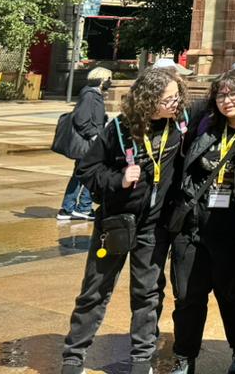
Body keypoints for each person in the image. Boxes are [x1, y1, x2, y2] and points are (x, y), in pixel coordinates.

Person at [62, 66, 188, 374]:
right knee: (95, 291)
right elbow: (88, 172)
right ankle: (73, 357)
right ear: (149, 100)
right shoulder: (119, 130)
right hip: (116, 223)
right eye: (169, 99)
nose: (176, 103)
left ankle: (142, 359)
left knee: (147, 294)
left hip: (153, 228)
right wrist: (118, 179)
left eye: (177, 97)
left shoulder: (179, 125)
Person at [166, 69, 235, 374]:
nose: (227, 100)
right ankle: (184, 355)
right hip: (193, 225)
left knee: (232, 296)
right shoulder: (205, 124)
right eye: (221, 94)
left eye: (234, 93)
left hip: (232, 229)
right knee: (187, 296)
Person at [58, 66, 112, 221]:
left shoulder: (94, 94)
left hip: (91, 140)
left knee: (80, 174)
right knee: (90, 173)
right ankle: (82, 208)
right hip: (89, 142)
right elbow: (81, 119)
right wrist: (94, 135)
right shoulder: (90, 95)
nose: (110, 81)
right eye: (109, 78)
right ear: (102, 80)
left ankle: (70, 208)